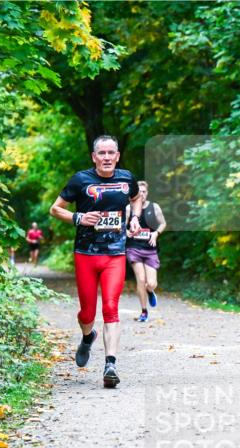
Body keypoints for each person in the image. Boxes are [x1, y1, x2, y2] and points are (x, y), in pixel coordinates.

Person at [49, 136, 142, 388]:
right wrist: (78, 218)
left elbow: (136, 198)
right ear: (94, 157)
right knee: (87, 312)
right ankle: (88, 336)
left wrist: (134, 219)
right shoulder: (81, 180)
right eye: (101, 153)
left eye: (111, 152)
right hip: (86, 254)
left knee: (111, 307)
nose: (107, 157)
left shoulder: (126, 178)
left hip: (115, 254)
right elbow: (55, 209)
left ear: (118, 155)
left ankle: (110, 364)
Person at [125, 180, 167, 322]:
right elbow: (121, 226)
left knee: (151, 283)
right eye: (139, 191)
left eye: (144, 191)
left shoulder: (154, 207)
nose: (141, 194)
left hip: (150, 249)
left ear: (147, 193)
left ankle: (150, 291)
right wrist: (126, 232)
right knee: (141, 280)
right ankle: (144, 311)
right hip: (133, 248)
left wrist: (156, 233)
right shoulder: (129, 209)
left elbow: (163, 223)